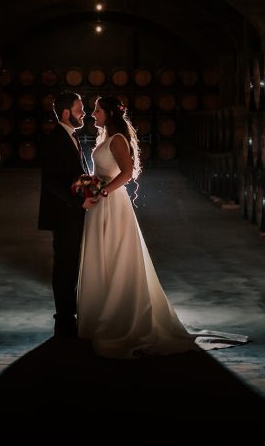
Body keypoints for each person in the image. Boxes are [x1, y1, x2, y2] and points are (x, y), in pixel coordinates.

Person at [76, 95, 249, 359]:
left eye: (97, 110)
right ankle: (100, 314)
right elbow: (103, 170)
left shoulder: (118, 140)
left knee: (116, 256)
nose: (92, 114)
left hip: (111, 204)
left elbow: (127, 172)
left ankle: (120, 318)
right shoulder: (103, 138)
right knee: (102, 257)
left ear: (109, 113)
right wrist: (90, 184)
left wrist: (102, 192)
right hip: (100, 203)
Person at [38, 91, 96, 339]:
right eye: (79, 108)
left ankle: (69, 312)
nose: (83, 113)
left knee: (71, 263)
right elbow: (51, 182)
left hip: (71, 212)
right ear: (65, 113)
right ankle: (63, 317)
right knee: (65, 264)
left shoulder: (70, 136)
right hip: (64, 213)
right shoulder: (55, 139)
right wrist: (77, 202)